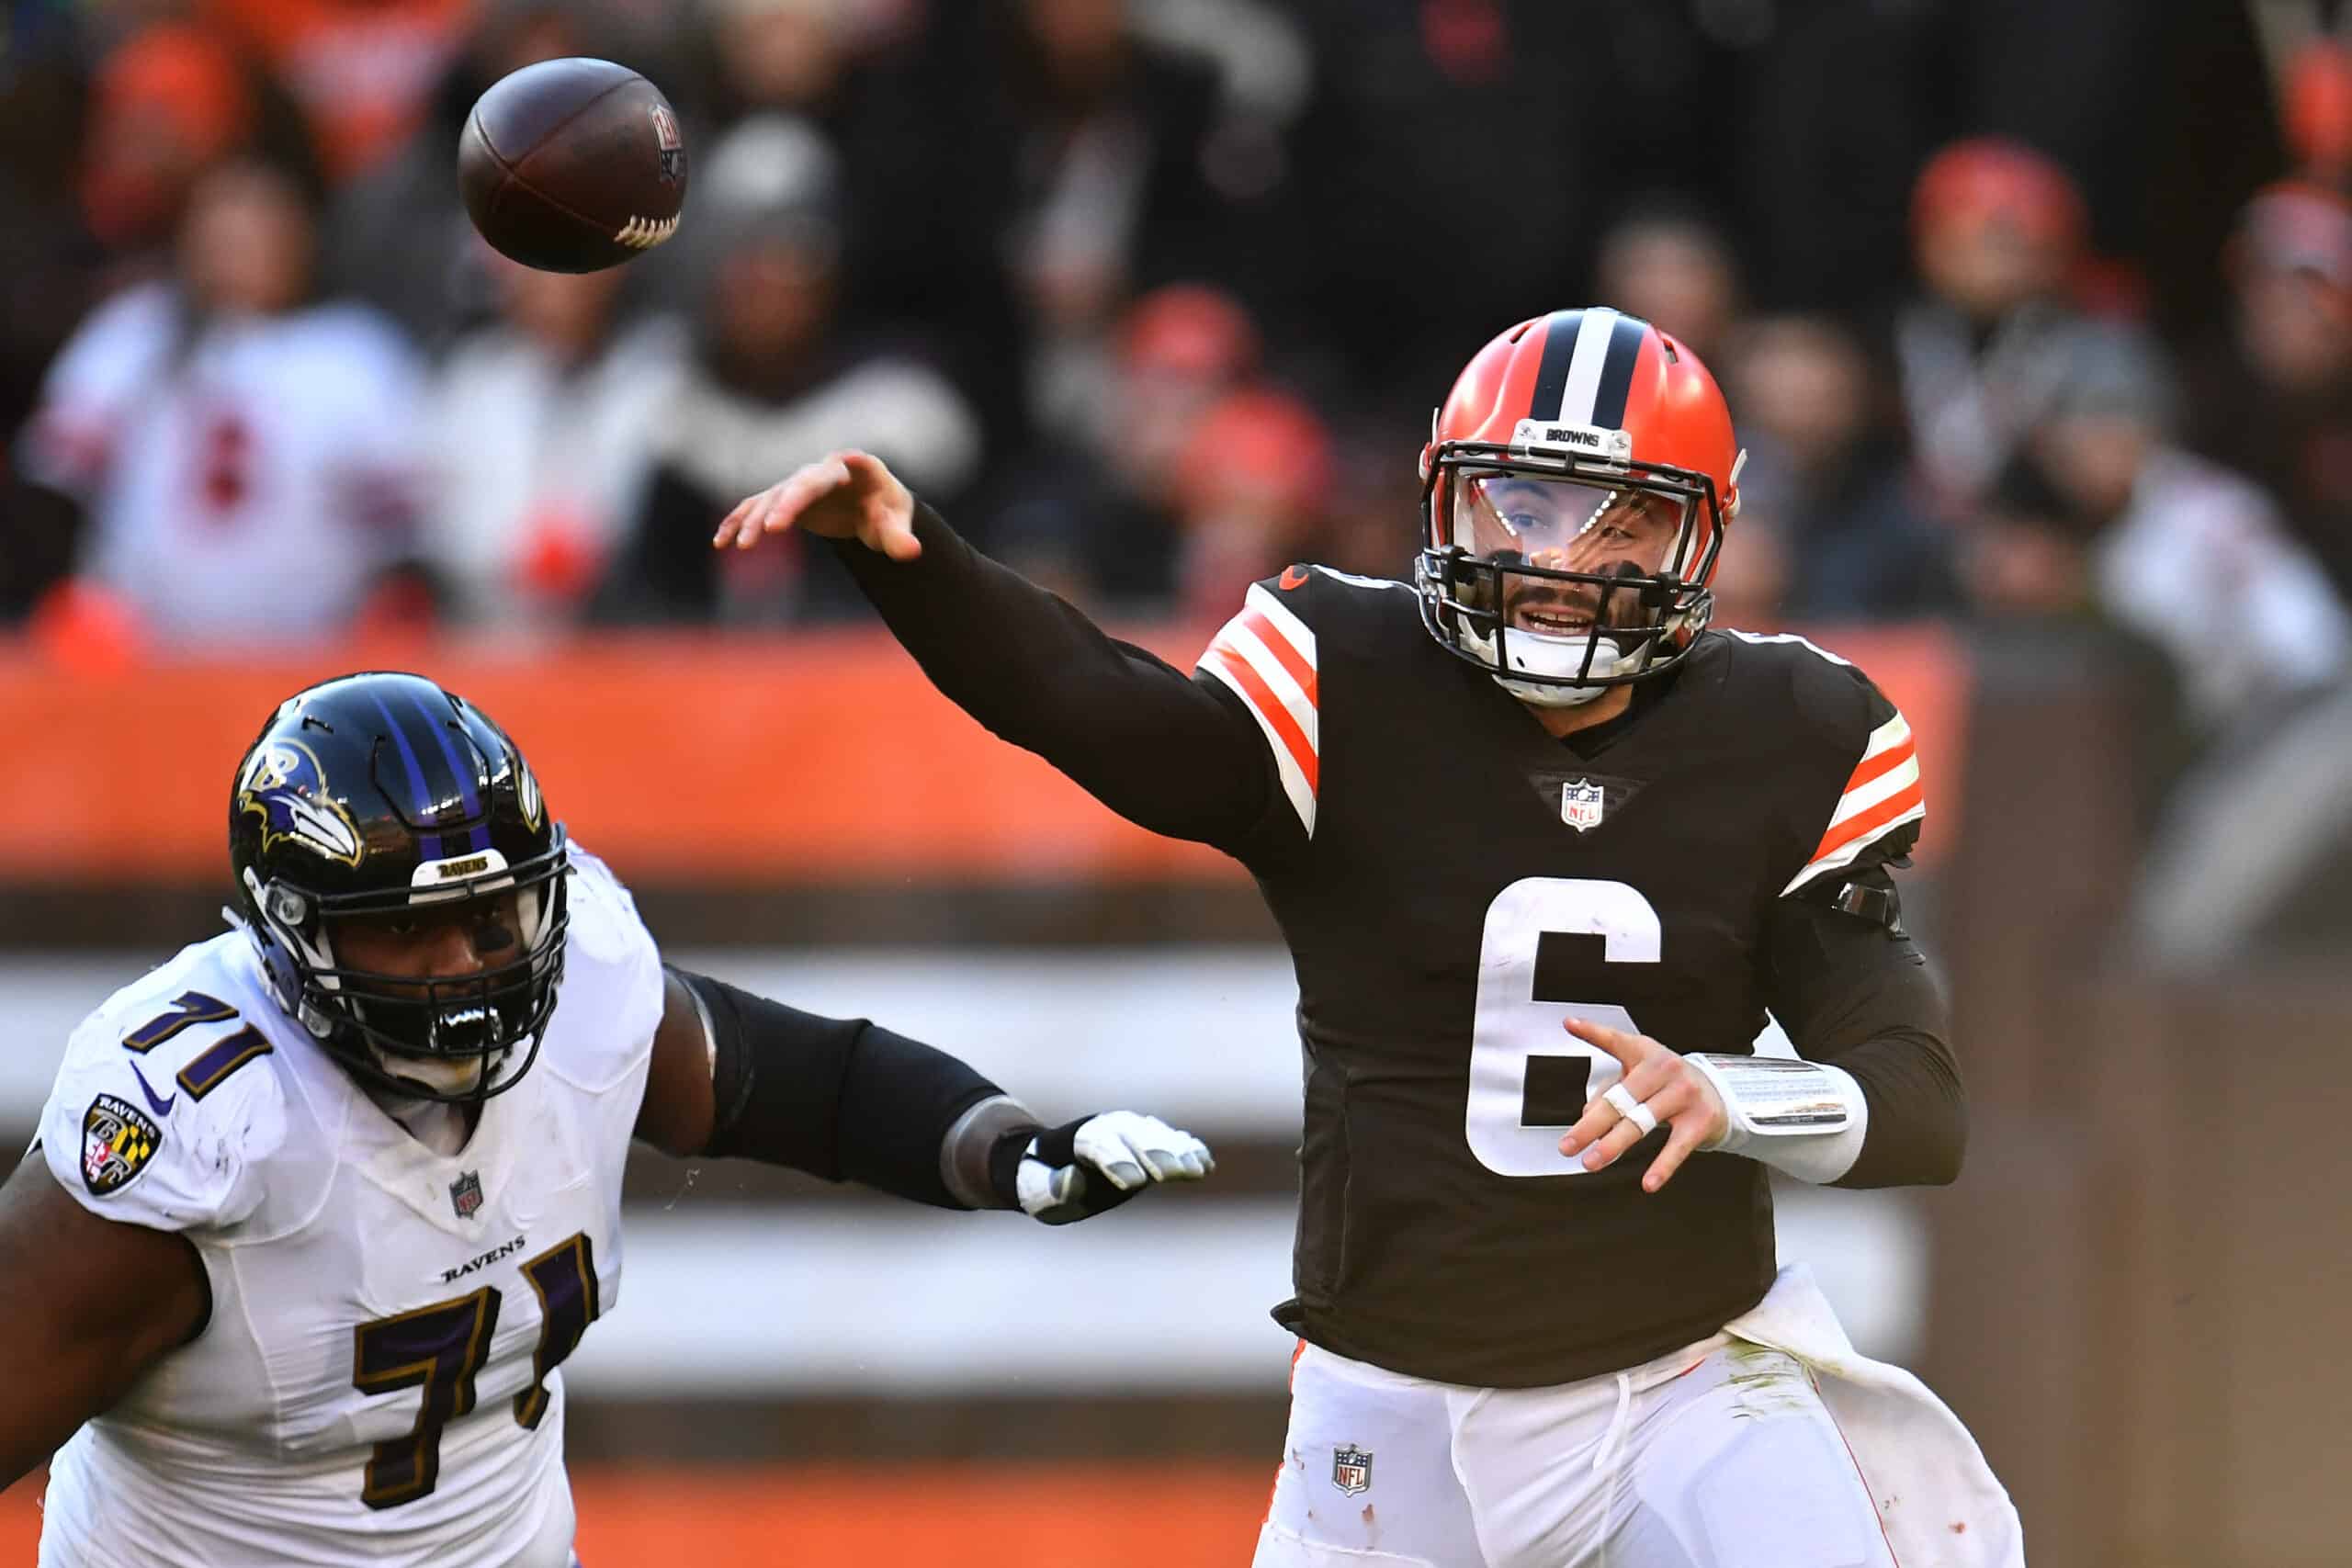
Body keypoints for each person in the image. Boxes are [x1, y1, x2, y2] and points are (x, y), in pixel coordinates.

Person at [716, 306, 2023, 1565]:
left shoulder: (1794, 732)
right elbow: (1097, 708)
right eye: (1521, 506)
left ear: (1704, 538)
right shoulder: (1346, 669)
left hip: (1683, 1389)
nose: (1562, 563)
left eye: (1620, 522)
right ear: (1441, 498)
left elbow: (1920, 1104)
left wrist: (1726, 1095)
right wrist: (911, 556)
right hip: (1392, 1402)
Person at [0, 671, 1212, 1567]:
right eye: (404, 927)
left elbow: (798, 1085)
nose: (465, 965)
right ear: (293, 931)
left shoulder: (580, 979)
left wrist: (1009, 1153)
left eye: (490, 918)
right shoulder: (206, 1124)